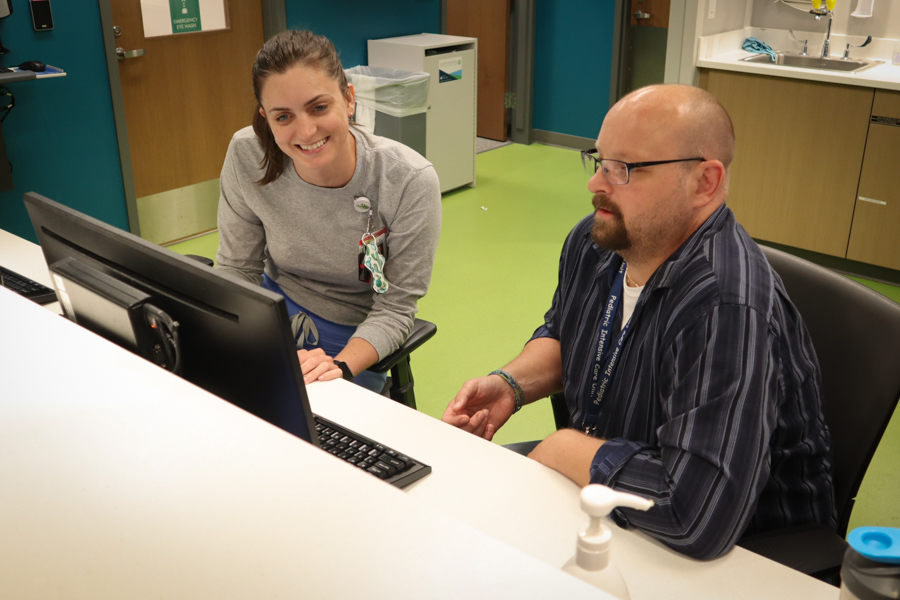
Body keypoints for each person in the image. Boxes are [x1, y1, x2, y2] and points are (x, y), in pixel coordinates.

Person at [442, 84, 835, 560]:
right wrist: (511, 385)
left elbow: (697, 514)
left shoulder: (724, 304)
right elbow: (566, 334)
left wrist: (564, 447)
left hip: (743, 553)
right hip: (606, 490)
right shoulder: (597, 243)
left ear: (705, 183)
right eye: (599, 161)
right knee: (454, 507)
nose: (596, 184)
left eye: (624, 169)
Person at [215, 30, 441, 392]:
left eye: (319, 107)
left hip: (355, 334)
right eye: (283, 117)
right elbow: (238, 268)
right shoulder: (248, 154)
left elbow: (395, 310)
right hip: (270, 313)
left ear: (349, 99)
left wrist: (337, 367)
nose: (306, 131)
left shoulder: (408, 181)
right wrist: (232, 333)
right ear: (266, 118)